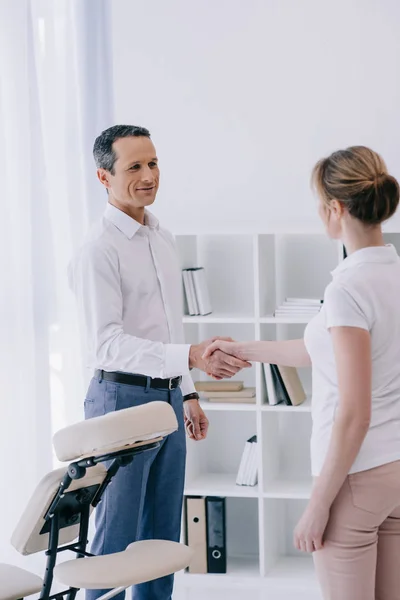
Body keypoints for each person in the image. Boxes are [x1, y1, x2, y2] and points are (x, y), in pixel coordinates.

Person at [204, 146, 400, 600]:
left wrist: (318, 505)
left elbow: (354, 413)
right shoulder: (390, 274)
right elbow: (322, 350)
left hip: (358, 474)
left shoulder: (347, 289)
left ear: (335, 208)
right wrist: (244, 349)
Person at [68, 124, 251, 600]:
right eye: (134, 166)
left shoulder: (162, 237)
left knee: (161, 537)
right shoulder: (98, 249)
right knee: (116, 537)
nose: (149, 175)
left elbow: (170, 328)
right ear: (103, 177)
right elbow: (106, 344)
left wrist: (187, 391)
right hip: (119, 398)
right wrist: (188, 358)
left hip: (168, 396)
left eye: (153, 163)